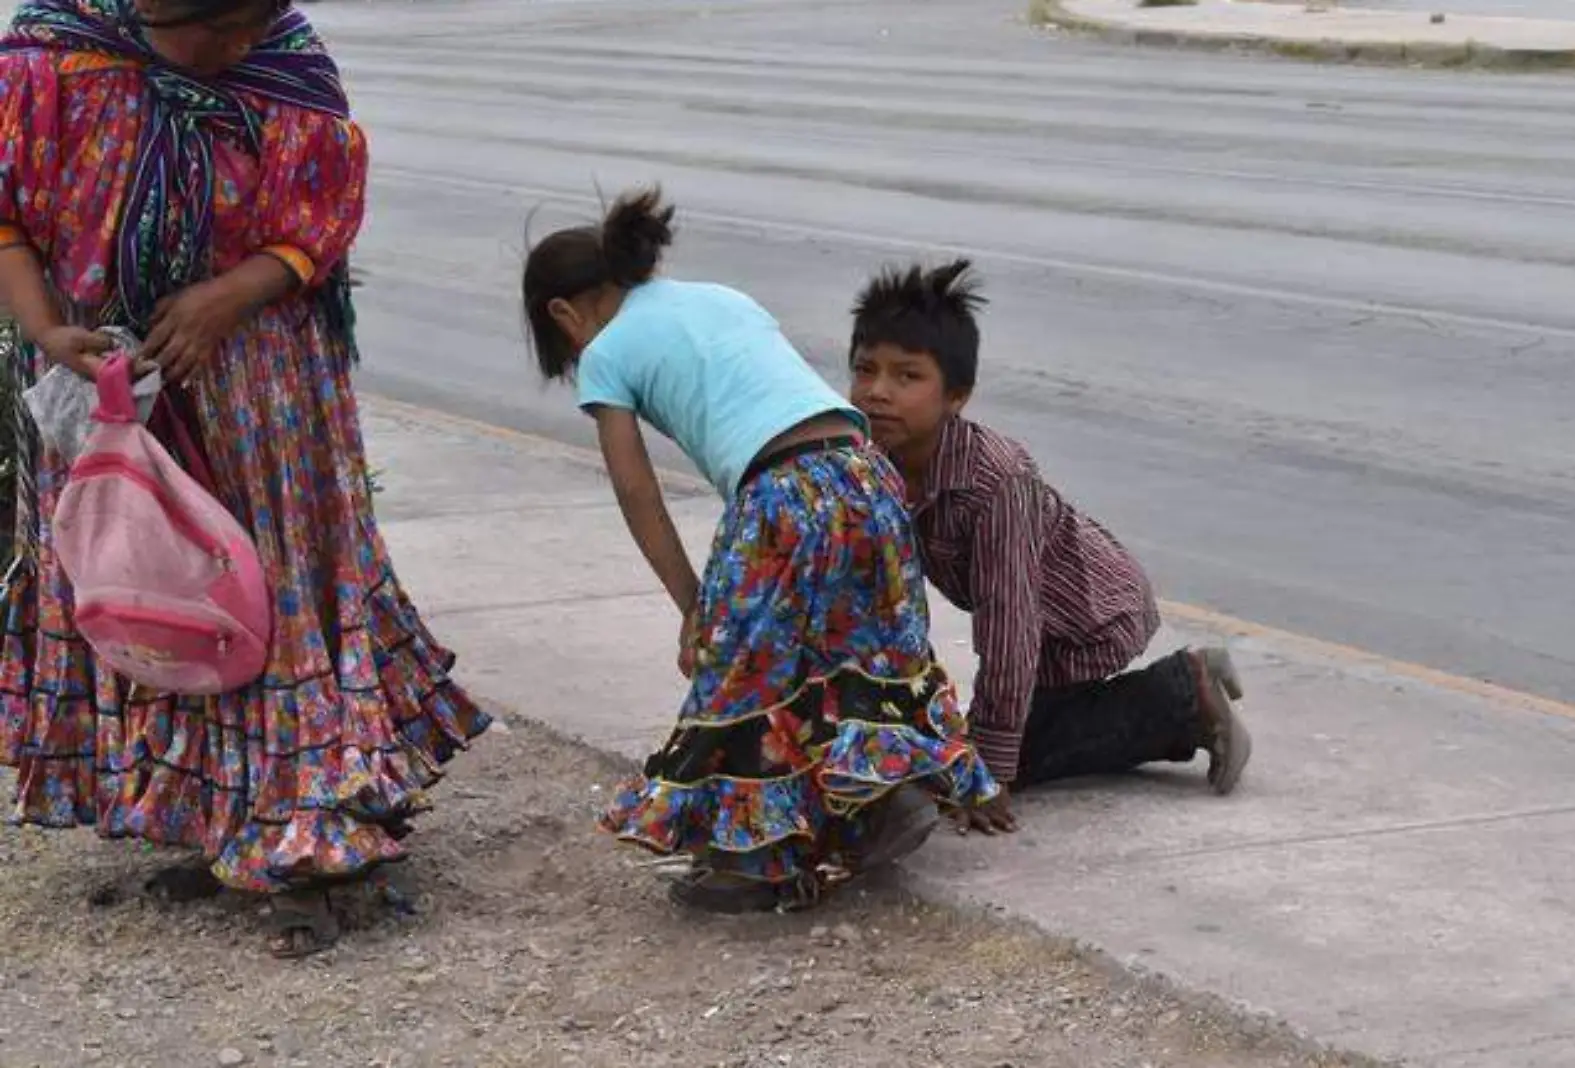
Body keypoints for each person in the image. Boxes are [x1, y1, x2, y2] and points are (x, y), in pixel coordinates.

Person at [0, 0, 489, 957]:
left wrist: (234, 292)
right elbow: (7, 211)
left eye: (258, 24)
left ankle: (307, 828)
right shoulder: (49, 58)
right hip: (100, 386)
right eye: (222, 32)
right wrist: (44, 328)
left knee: (278, 594)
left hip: (264, 390)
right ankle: (214, 812)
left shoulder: (286, 62)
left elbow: (325, 214)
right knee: (149, 591)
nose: (242, 49)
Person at [520, 187, 997, 913]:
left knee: (743, 680)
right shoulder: (724, 297)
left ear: (564, 314)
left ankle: (753, 867)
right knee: (861, 657)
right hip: (866, 475)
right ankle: (885, 800)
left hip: (780, 496)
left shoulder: (606, 352)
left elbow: (635, 490)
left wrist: (694, 607)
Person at [847, 260, 1252, 834]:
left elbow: (1011, 630)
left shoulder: (995, 486)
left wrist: (990, 773)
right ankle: (1179, 687)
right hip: (1042, 624)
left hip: (1088, 622)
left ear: (956, 396)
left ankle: (1183, 696)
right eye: (866, 370)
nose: (878, 392)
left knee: (1003, 755)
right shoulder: (871, 458)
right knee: (946, 747)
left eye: (907, 377)